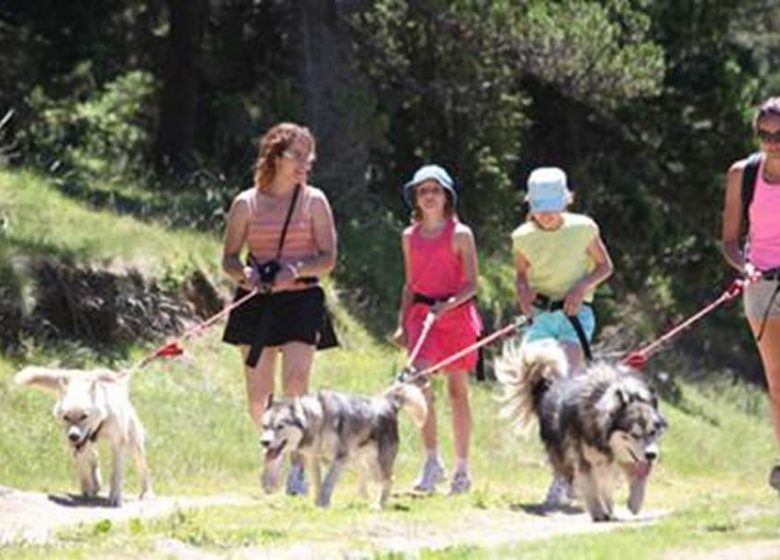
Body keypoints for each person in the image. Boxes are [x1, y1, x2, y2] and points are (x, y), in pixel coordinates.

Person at [221, 122, 338, 495]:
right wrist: (247, 276)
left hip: (302, 299)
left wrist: (296, 270)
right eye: (298, 156)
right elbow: (228, 258)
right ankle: (273, 457)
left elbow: (328, 257)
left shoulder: (315, 201)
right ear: (276, 156)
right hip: (256, 302)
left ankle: (299, 468)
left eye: (310, 157)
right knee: (259, 400)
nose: (305, 164)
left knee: (295, 384)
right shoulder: (246, 203)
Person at [511, 166, 614, 507]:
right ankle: (561, 462)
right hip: (542, 317)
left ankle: (565, 477)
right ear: (530, 204)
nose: (548, 215)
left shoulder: (584, 228)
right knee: (543, 392)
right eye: (541, 208)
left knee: (566, 383)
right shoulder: (522, 236)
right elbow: (521, 276)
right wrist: (523, 293)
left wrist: (582, 286)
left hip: (575, 315)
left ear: (567, 201)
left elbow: (605, 266)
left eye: (554, 207)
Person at [393, 164, 483, 495]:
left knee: (457, 391)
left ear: (447, 196)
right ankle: (432, 461)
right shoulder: (409, 236)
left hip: (456, 316)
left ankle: (462, 467)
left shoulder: (461, 234)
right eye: (422, 191)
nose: (429, 197)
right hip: (422, 315)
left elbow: (472, 283)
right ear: (415, 198)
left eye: (435, 190)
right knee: (420, 384)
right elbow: (409, 284)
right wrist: (403, 324)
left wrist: (449, 305)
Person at [721, 97, 780, 493]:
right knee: (777, 378)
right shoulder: (743, 175)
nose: (772, 142)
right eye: (765, 134)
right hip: (761, 285)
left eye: (779, 135)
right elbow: (729, 241)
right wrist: (746, 269)